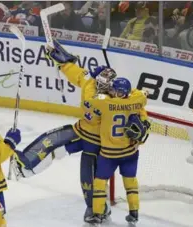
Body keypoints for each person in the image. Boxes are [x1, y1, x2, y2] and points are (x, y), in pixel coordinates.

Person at [14, 40, 116, 223]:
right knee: (52, 139)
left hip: (100, 142)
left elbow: (135, 109)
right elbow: (76, 73)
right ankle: (26, 165)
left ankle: (96, 208)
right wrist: (63, 61)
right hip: (82, 130)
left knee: (89, 176)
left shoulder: (117, 98)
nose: (96, 82)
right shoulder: (90, 82)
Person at [84, 77, 151, 224]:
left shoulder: (106, 102)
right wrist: (135, 91)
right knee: (131, 184)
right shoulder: (135, 102)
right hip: (130, 152)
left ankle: (97, 214)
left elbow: (88, 99)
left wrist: (91, 82)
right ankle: (134, 213)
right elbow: (142, 95)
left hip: (109, 154)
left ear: (117, 91)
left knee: (100, 184)